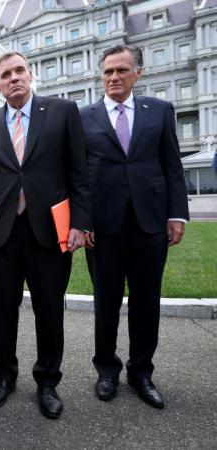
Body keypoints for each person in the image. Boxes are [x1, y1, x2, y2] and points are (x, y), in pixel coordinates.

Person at [0, 51, 90, 419]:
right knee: (2, 310)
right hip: (2, 234)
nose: (14, 78)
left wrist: (80, 223)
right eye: (5, 74)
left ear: (30, 74)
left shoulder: (62, 112)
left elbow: (79, 172)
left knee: (49, 310)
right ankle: (4, 376)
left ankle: (47, 382)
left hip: (49, 232)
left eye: (19, 71)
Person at [80, 44, 188, 409]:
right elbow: (78, 174)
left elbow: (172, 165)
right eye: (108, 71)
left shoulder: (160, 111)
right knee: (106, 302)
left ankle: (141, 373)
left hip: (151, 223)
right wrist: (83, 221)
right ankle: (107, 371)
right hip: (102, 227)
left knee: (146, 301)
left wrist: (177, 214)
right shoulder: (83, 116)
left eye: (121, 70)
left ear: (137, 73)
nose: (113, 77)